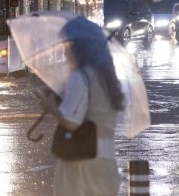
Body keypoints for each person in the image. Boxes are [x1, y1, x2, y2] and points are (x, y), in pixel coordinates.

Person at [35, 21, 125, 196]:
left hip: (81, 165)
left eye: (67, 45)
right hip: (107, 164)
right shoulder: (107, 78)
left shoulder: (79, 76)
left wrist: (51, 106)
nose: (65, 51)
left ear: (78, 48)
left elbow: (71, 122)